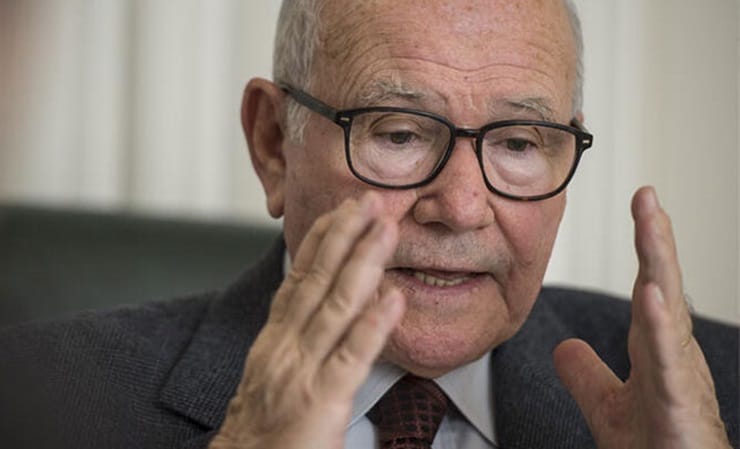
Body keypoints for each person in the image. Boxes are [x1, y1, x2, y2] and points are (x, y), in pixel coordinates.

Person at [1, 0, 737, 448]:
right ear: (273, 144)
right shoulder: (35, 399)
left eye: (517, 143)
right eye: (399, 133)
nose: (461, 207)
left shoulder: (721, 394)